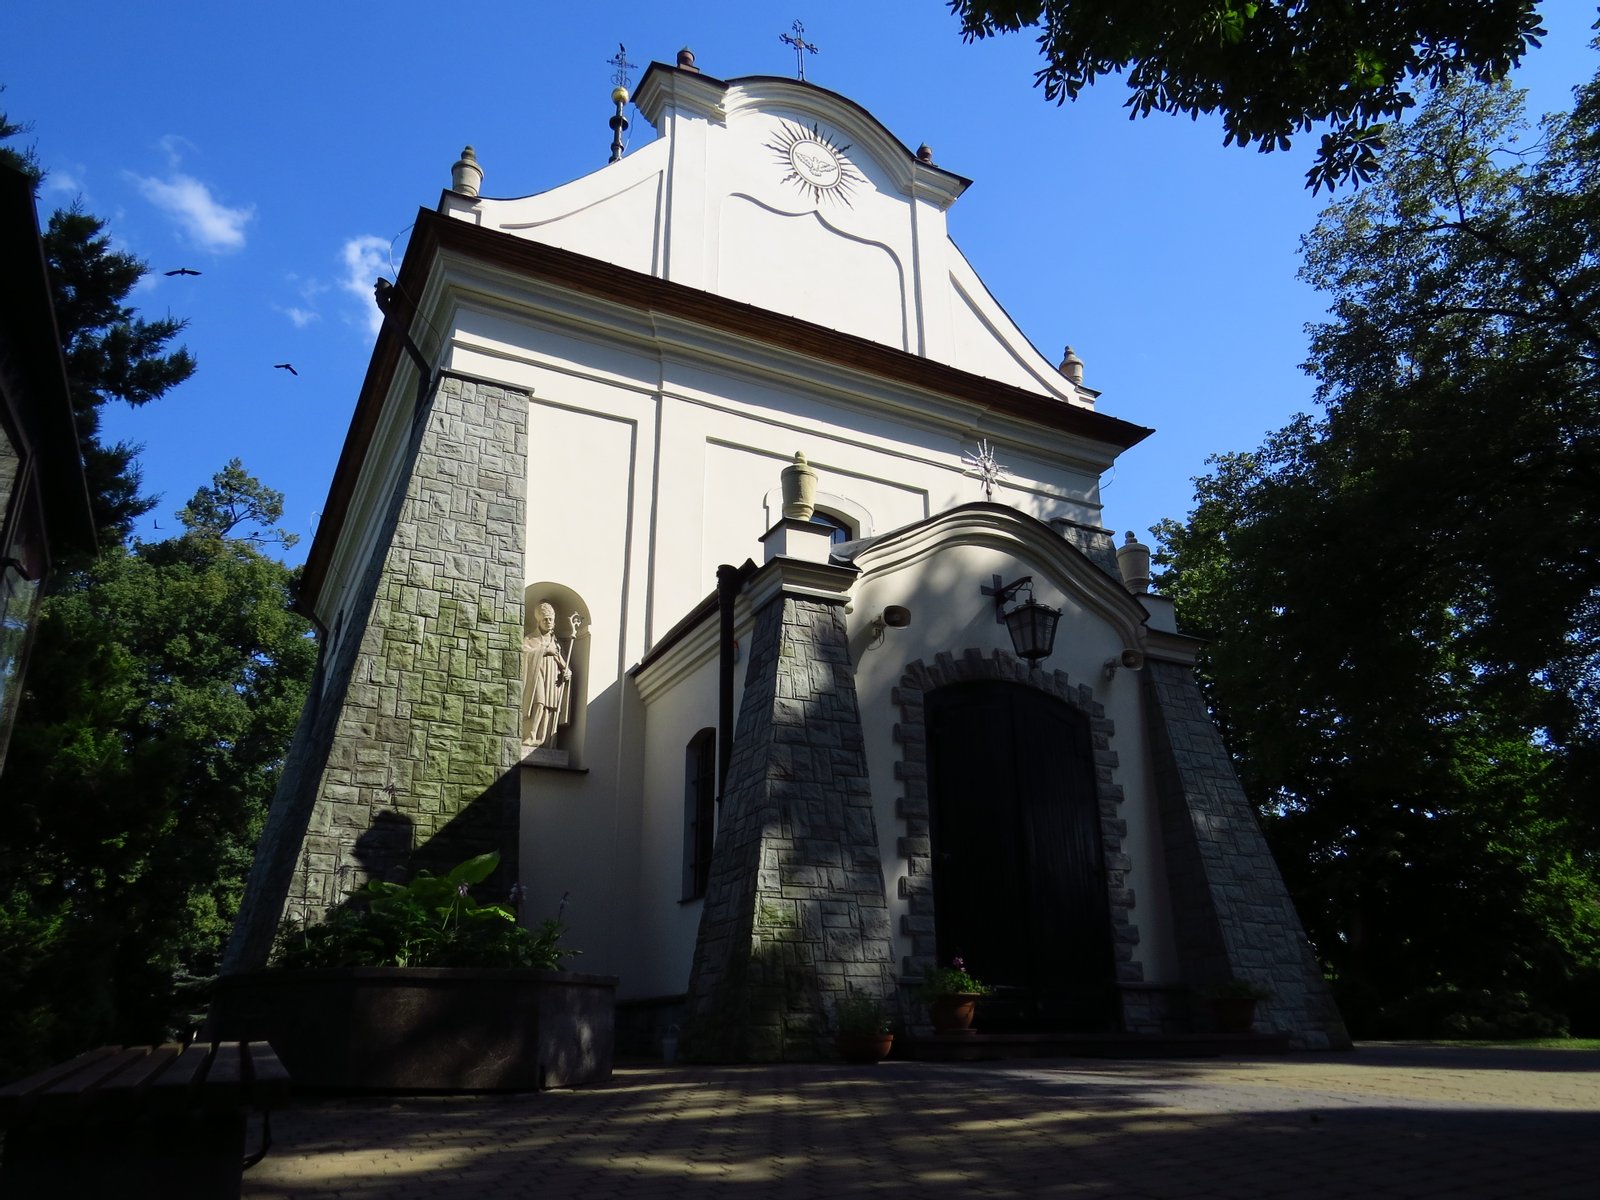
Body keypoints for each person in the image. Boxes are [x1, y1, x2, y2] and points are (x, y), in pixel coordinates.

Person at [522, 601, 571, 749]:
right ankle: (530, 735)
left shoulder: (557, 643)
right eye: (545, 619)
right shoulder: (530, 639)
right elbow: (523, 655)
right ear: (539, 621)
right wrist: (543, 651)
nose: (548, 622)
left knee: (549, 706)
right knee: (539, 702)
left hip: (552, 677)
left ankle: (546, 740)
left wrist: (568, 672)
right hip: (536, 675)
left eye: (550, 619)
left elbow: (563, 662)